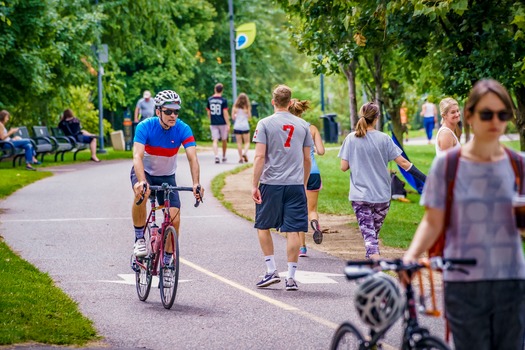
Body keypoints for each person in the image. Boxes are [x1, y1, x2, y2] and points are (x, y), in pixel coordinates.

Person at [403, 79, 525, 350]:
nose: (495, 120)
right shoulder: (449, 165)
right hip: (464, 282)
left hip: (510, 280)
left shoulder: (518, 164)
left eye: (502, 114)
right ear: (470, 116)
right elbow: (433, 220)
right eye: (486, 114)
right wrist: (411, 257)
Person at [338, 102, 426, 259]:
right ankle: (372, 271)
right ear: (377, 118)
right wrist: (426, 179)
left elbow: (343, 167)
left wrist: (358, 158)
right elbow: (404, 164)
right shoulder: (384, 139)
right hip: (382, 197)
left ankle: (376, 266)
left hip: (360, 196)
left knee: (370, 240)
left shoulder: (351, 139)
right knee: (371, 237)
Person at [252, 85, 313, 291]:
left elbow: (260, 156)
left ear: (273, 102)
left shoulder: (265, 124)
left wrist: (254, 184)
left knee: (263, 225)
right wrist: (303, 183)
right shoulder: (303, 125)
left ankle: (271, 270)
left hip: (271, 183)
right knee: (294, 230)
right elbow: (307, 158)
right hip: (295, 184)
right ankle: (292, 277)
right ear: (290, 102)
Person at [131, 90, 203, 261]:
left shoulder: (183, 128)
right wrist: (141, 181)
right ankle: (140, 237)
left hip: (167, 176)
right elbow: (137, 156)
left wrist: (196, 184)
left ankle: (167, 262)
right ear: (158, 112)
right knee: (142, 192)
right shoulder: (145, 126)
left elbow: (192, 158)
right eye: (168, 111)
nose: (173, 115)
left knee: (174, 220)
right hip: (145, 172)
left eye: (176, 111)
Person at [288, 99, 325, 257]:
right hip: (314, 172)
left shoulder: (289, 129)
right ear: (302, 111)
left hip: (297, 173)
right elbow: (321, 151)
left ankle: (302, 247)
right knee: (312, 210)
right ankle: (315, 224)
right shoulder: (312, 128)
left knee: (299, 210)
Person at [206, 83, 230, 163]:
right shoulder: (223, 100)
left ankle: (216, 156)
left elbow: (208, 112)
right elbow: (225, 113)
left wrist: (210, 119)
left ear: (215, 89)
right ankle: (224, 156)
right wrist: (228, 123)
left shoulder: (210, 100)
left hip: (214, 122)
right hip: (222, 122)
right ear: (222, 90)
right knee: (224, 139)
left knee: (215, 140)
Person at [231, 93, 251, 163]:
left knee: (239, 143)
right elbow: (249, 116)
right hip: (245, 126)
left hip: (237, 126)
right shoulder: (247, 107)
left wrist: (237, 115)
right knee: (247, 142)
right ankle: (244, 153)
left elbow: (233, 117)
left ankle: (240, 158)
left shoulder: (235, 107)